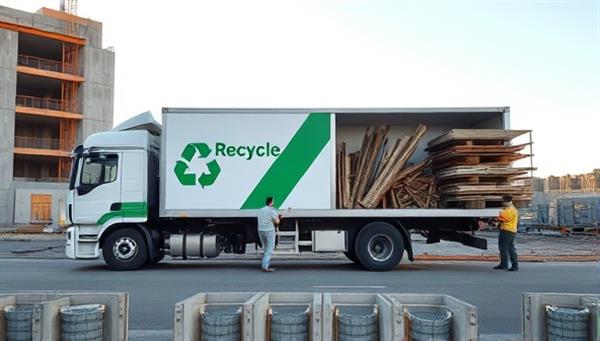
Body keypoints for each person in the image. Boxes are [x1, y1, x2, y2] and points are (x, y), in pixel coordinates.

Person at [494, 195, 519, 271]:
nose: (503, 203)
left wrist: (496, 217)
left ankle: (513, 265)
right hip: (510, 231)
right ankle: (504, 264)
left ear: (507, 202)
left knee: (506, 248)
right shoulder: (511, 209)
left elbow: (504, 218)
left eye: (504, 202)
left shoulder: (509, 210)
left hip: (507, 231)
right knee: (506, 248)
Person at [257, 197, 280, 272]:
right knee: (269, 249)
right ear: (271, 203)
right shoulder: (272, 211)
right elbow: (277, 222)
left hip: (261, 230)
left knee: (265, 247)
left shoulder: (261, 210)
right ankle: (265, 266)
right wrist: (279, 218)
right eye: (273, 201)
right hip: (269, 231)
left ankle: (265, 264)